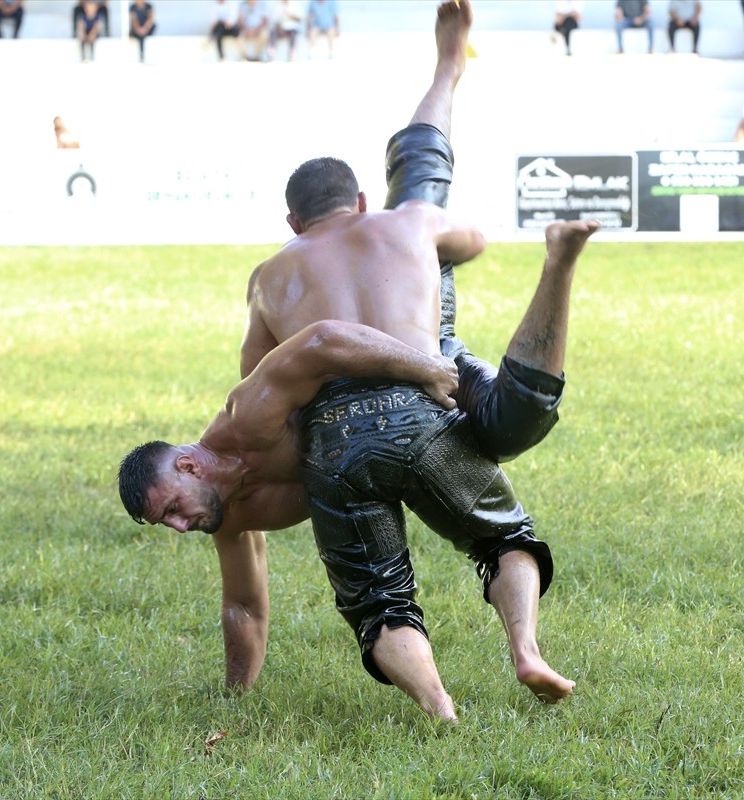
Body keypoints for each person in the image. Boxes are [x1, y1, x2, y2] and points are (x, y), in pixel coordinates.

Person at [122, 0, 592, 721]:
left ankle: (440, 706)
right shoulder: (402, 220)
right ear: (363, 203)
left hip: (374, 412)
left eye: (173, 513)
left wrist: (423, 360)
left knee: (380, 605)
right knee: (510, 486)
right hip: (422, 383)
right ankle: (520, 650)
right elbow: (244, 608)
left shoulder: (251, 396)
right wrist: (233, 703)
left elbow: (303, 349)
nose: (180, 528)